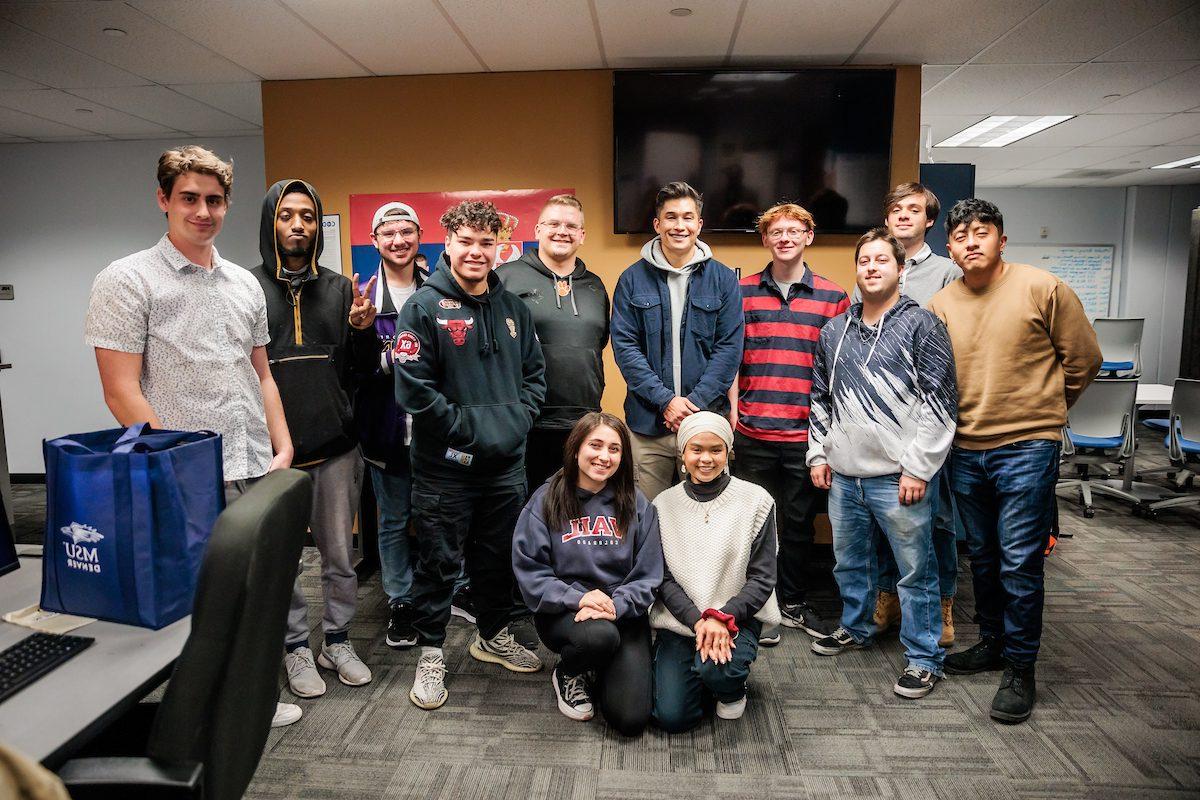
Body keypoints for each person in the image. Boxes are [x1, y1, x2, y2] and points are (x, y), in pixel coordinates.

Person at [84, 145, 301, 728]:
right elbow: (121, 390)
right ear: (164, 200)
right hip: (181, 471)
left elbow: (260, 372)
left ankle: (246, 697)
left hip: (253, 460)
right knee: (194, 599)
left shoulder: (242, 284)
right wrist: (179, 462)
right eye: (189, 198)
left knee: (251, 591)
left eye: (214, 200)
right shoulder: (126, 280)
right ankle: (196, 711)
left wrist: (281, 444)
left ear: (227, 205)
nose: (202, 211)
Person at [928, 199, 1102, 723]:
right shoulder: (941, 304)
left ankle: (1021, 668)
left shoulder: (1042, 288)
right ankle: (995, 644)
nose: (972, 241)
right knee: (980, 556)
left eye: (983, 232)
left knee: (1020, 560)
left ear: (1002, 240)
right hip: (966, 447)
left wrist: (1046, 411)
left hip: (1027, 445)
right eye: (961, 235)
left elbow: (1085, 359)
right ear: (951, 248)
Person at [395, 200, 547, 710]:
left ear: (498, 246)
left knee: (496, 561)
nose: (476, 252)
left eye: (487, 243)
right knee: (439, 564)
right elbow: (415, 391)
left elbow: (534, 376)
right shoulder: (422, 307)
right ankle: (431, 653)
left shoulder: (514, 309)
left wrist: (518, 421)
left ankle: (492, 635)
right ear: (449, 244)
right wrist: (468, 431)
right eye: (466, 241)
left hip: (506, 467)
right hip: (447, 470)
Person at [807, 229, 957, 699]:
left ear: (900, 269)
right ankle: (856, 627)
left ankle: (924, 658)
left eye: (881, 261)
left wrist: (919, 468)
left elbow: (941, 402)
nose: (871, 268)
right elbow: (820, 397)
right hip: (844, 476)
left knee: (915, 570)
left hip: (899, 478)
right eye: (864, 261)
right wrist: (817, 452)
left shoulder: (922, 326)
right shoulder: (836, 330)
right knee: (850, 563)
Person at [249, 179, 379, 699]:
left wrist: (365, 331)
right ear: (270, 222)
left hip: (336, 447)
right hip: (271, 453)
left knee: (338, 557)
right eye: (286, 215)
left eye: (306, 215)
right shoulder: (244, 288)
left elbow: (364, 373)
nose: (297, 225)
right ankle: (295, 646)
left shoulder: (342, 288)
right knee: (281, 560)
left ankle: (338, 639)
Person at [729, 203, 849, 641]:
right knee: (755, 524)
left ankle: (792, 602)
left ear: (808, 237)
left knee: (798, 526)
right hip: (752, 432)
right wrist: (732, 418)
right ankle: (759, 607)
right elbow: (731, 361)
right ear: (765, 239)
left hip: (805, 435)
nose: (785, 238)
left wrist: (828, 436)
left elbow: (840, 371)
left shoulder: (834, 298)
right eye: (776, 231)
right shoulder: (738, 291)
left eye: (794, 230)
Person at [857, 183, 963, 646]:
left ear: (930, 220)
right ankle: (888, 597)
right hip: (880, 425)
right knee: (883, 520)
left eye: (914, 210)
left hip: (924, 422)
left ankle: (942, 606)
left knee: (935, 520)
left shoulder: (945, 273)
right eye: (895, 208)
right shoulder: (871, 266)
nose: (903, 216)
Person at [512, 412, 662, 733]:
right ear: (576, 447)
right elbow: (531, 572)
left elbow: (648, 573)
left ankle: (601, 664)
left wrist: (616, 604)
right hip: (565, 611)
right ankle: (569, 671)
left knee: (630, 719)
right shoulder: (546, 500)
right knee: (598, 637)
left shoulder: (636, 503)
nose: (604, 457)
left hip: (622, 610)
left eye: (614, 449)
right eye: (595, 445)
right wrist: (579, 598)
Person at [611, 181, 743, 500]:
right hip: (648, 426)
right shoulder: (631, 279)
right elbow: (626, 349)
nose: (679, 225)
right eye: (671, 217)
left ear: (699, 224)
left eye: (687, 217)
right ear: (657, 224)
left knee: (709, 515)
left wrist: (692, 404)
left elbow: (729, 349)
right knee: (648, 515)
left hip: (707, 421)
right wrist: (666, 402)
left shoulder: (724, 280)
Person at [650, 412, 779, 732]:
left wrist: (721, 618)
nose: (705, 458)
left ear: (728, 452)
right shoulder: (662, 505)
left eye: (715, 450)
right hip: (681, 621)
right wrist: (699, 620)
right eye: (696, 449)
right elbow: (662, 578)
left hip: (736, 618)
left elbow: (763, 577)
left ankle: (731, 688)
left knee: (718, 672)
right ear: (682, 454)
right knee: (672, 718)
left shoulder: (756, 500)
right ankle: (698, 673)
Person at [497, 195, 609, 489]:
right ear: (536, 230)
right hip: (527, 421)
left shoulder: (595, 286)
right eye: (554, 223)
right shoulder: (506, 279)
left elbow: (599, 343)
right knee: (527, 513)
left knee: (574, 513)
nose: (562, 231)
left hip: (583, 420)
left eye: (571, 226)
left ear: (582, 235)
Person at [354, 202, 425, 650]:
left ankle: (448, 590)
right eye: (388, 233)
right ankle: (400, 599)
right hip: (383, 431)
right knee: (394, 520)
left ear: (419, 236)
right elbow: (353, 371)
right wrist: (371, 346)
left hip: (437, 435)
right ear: (375, 240)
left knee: (440, 519)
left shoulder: (441, 290)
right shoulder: (361, 297)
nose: (398, 240)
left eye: (406, 231)